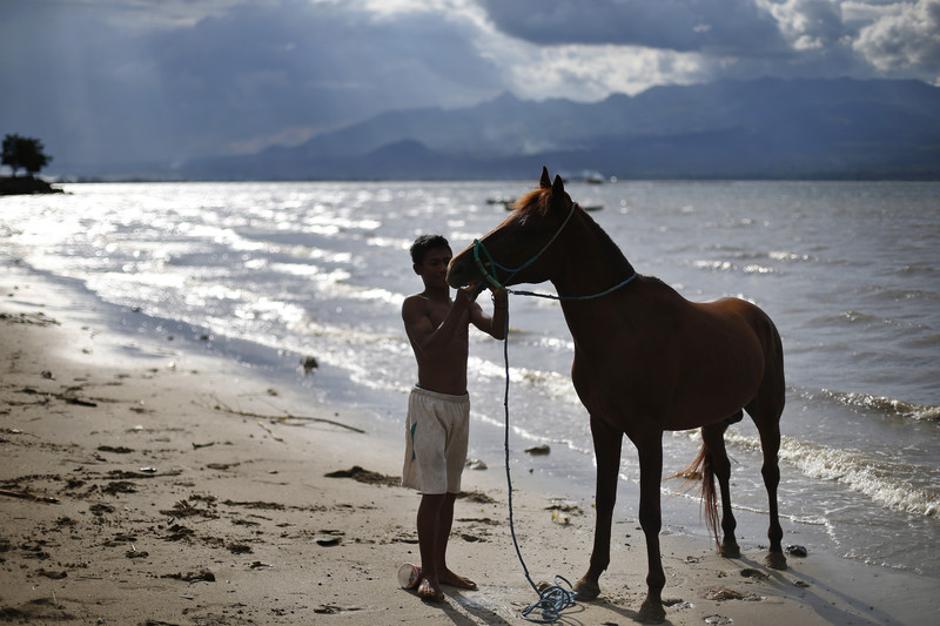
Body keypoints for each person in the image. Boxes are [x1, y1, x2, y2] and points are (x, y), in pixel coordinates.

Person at [400, 234, 507, 602]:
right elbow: (431, 349)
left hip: (459, 405)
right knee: (432, 494)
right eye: (434, 263)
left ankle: (442, 568)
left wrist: (500, 299)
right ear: (418, 269)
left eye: (447, 260)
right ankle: (428, 573)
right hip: (429, 405)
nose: (443, 268)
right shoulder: (415, 306)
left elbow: (498, 331)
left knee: (449, 493)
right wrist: (462, 305)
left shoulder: (463, 304)